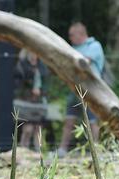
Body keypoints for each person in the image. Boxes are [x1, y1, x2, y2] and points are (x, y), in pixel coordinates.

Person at [57, 22, 104, 156]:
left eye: (72, 35)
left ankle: (95, 151)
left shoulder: (94, 46)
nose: (70, 38)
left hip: (91, 92)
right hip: (74, 91)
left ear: (81, 34)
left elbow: (83, 63)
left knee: (92, 122)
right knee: (69, 121)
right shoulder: (73, 47)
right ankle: (62, 150)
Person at [13, 50, 48, 150]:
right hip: (26, 100)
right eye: (31, 52)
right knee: (27, 129)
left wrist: (41, 92)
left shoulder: (42, 66)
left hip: (40, 101)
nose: (33, 55)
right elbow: (19, 83)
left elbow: (46, 82)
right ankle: (23, 150)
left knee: (38, 128)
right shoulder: (22, 65)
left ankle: (39, 152)